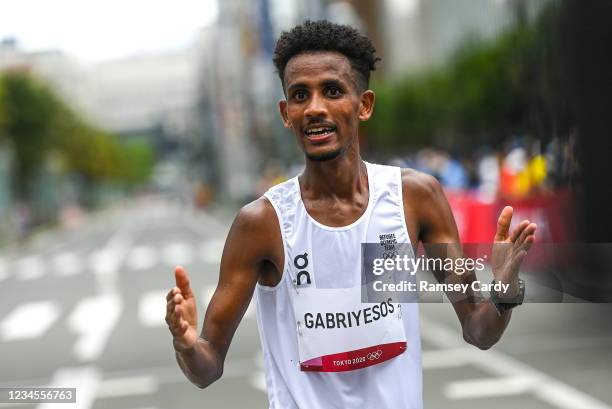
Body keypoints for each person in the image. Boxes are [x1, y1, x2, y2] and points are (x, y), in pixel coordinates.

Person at [165, 20, 537, 409]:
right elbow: (207, 368)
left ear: (364, 105)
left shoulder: (414, 198)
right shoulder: (262, 223)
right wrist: (186, 344)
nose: (314, 108)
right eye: (299, 95)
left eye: (332, 91)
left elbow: (479, 329)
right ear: (285, 113)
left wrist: (504, 289)